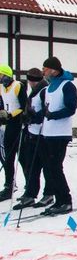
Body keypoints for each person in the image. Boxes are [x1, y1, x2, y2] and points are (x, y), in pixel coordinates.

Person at [38, 57, 77, 215]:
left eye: (45, 69)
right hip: (48, 133)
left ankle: (65, 201)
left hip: (60, 133)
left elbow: (70, 109)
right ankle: (58, 200)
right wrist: (34, 116)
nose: (43, 72)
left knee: (55, 167)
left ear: (54, 70)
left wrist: (53, 115)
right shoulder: (48, 87)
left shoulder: (67, 86)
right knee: (49, 168)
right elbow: (46, 109)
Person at [14, 68, 51, 209]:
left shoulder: (44, 90)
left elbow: (45, 111)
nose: (30, 83)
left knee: (47, 166)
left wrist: (33, 117)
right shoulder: (34, 91)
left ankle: (49, 193)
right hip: (31, 133)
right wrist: (25, 116)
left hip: (43, 134)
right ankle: (30, 194)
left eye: (31, 80)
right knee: (31, 165)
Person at [0, 64, 27, 201]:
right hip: (8, 125)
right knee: (8, 157)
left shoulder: (18, 86)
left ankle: (29, 187)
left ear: (6, 75)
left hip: (18, 124)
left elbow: (24, 106)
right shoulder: (1, 88)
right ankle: (9, 186)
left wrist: (10, 114)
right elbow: (2, 103)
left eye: (0, 75)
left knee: (22, 158)